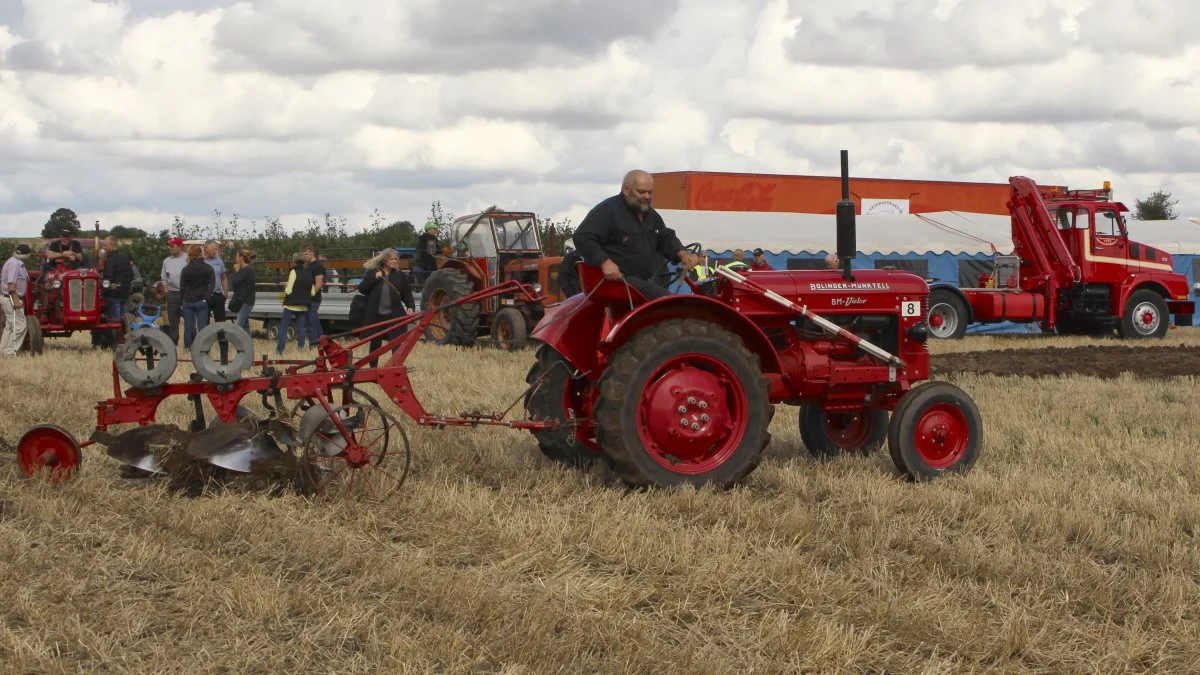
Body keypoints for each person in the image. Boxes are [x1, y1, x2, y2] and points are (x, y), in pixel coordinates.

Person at [572, 169, 703, 299]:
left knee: (663, 294)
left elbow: (665, 237)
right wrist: (604, 262)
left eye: (649, 192)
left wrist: (683, 254)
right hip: (616, 281)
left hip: (638, 282)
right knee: (670, 301)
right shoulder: (608, 210)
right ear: (626, 189)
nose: (647, 196)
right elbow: (582, 236)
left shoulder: (650, 215)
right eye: (641, 192)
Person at [358, 248, 415, 367]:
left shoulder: (400, 275)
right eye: (392, 259)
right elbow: (362, 289)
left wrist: (410, 306)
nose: (394, 261)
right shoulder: (373, 272)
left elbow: (407, 293)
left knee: (395, 343)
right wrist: (375, 278)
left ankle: (395, 367)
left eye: (396, 259)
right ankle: (373, 368)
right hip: (376, 316)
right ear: (385, 260)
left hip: (393, 316)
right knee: (375, 344)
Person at [96, 235, 135, 348]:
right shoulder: (124, 257)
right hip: (125, 294)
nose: (104, 247)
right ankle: (126, 343)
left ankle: (115, 345)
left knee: (114, 322)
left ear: (112, 245)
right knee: (124, 322)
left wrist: (103, 292)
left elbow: (108, 279)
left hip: (114, 295)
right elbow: (131, 275)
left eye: (105, 245)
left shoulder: (111, 260)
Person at [276, 252, 314, 355]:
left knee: (283, 327)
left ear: (294, 261)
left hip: (291, 304)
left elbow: (288, 291)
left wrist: (285, 286)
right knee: (301, 328)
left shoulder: (293, 271)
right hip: (303, 305)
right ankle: (301, 349)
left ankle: (280, 350)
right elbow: (312, 292)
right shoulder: (309, 272)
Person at [180, 244, 215, 349]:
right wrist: (207, 297)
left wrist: (182, 301)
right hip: (201, 300)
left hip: (188, 300)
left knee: (188, 327)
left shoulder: (186, 269)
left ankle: (188, 347)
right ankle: (202, 348)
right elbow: (212, 284)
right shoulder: (208, 268)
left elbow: (182, 287)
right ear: (201, 253)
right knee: (202, 327)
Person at [1, 244, 32, 356]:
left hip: (7, 297)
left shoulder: (13, 262)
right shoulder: (15, 264)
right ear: (26, 255)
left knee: (10, 325)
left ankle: (2, 350)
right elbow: (11, 284)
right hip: (11, 298)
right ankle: (10, 352)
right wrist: (16, 301)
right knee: (21, 326)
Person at [157, 236, 188, 343]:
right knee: (173, 321)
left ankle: (189, 344)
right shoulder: (167, 261)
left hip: (186, 294)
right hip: (172, 294)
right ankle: (173, 344)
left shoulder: (187, 258)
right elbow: (164, 278)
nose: (169, 248)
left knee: (189, 320)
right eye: (169, 246)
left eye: (172, 246)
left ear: (179, 247)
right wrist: (166, 292)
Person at [228, 249, 257, 333]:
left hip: (246, 302)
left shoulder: (247, 270)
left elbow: (234, 281)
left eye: (236, 256)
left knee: (238, 328)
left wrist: (236, 271)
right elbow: (235, 285)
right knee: (245, 328)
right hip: (243, 301)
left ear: (241, 258)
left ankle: (237, 342)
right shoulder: (245, 270)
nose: (235, 259)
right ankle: (248, 342)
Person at [301, 243, 324, 345]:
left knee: (311, 323)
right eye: (303, 254)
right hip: (308, 298)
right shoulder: (307, 266)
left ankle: (314, 345)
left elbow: (318, 284)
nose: (304, 256)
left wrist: (309, 296)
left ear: (311, 252)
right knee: (315, 322)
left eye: (306, 254)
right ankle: (322, 343)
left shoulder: (317, 265)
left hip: (313, 299)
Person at [203, 240, 229, 323]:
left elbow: (224, 277)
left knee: (221, 322)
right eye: (214, 249)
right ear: (206, 249)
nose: (216, 251)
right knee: (204, 322)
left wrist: (225, 293)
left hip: (217, 295)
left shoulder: (219, 261)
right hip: (204, 296)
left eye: (217, 249)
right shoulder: (200, 261)